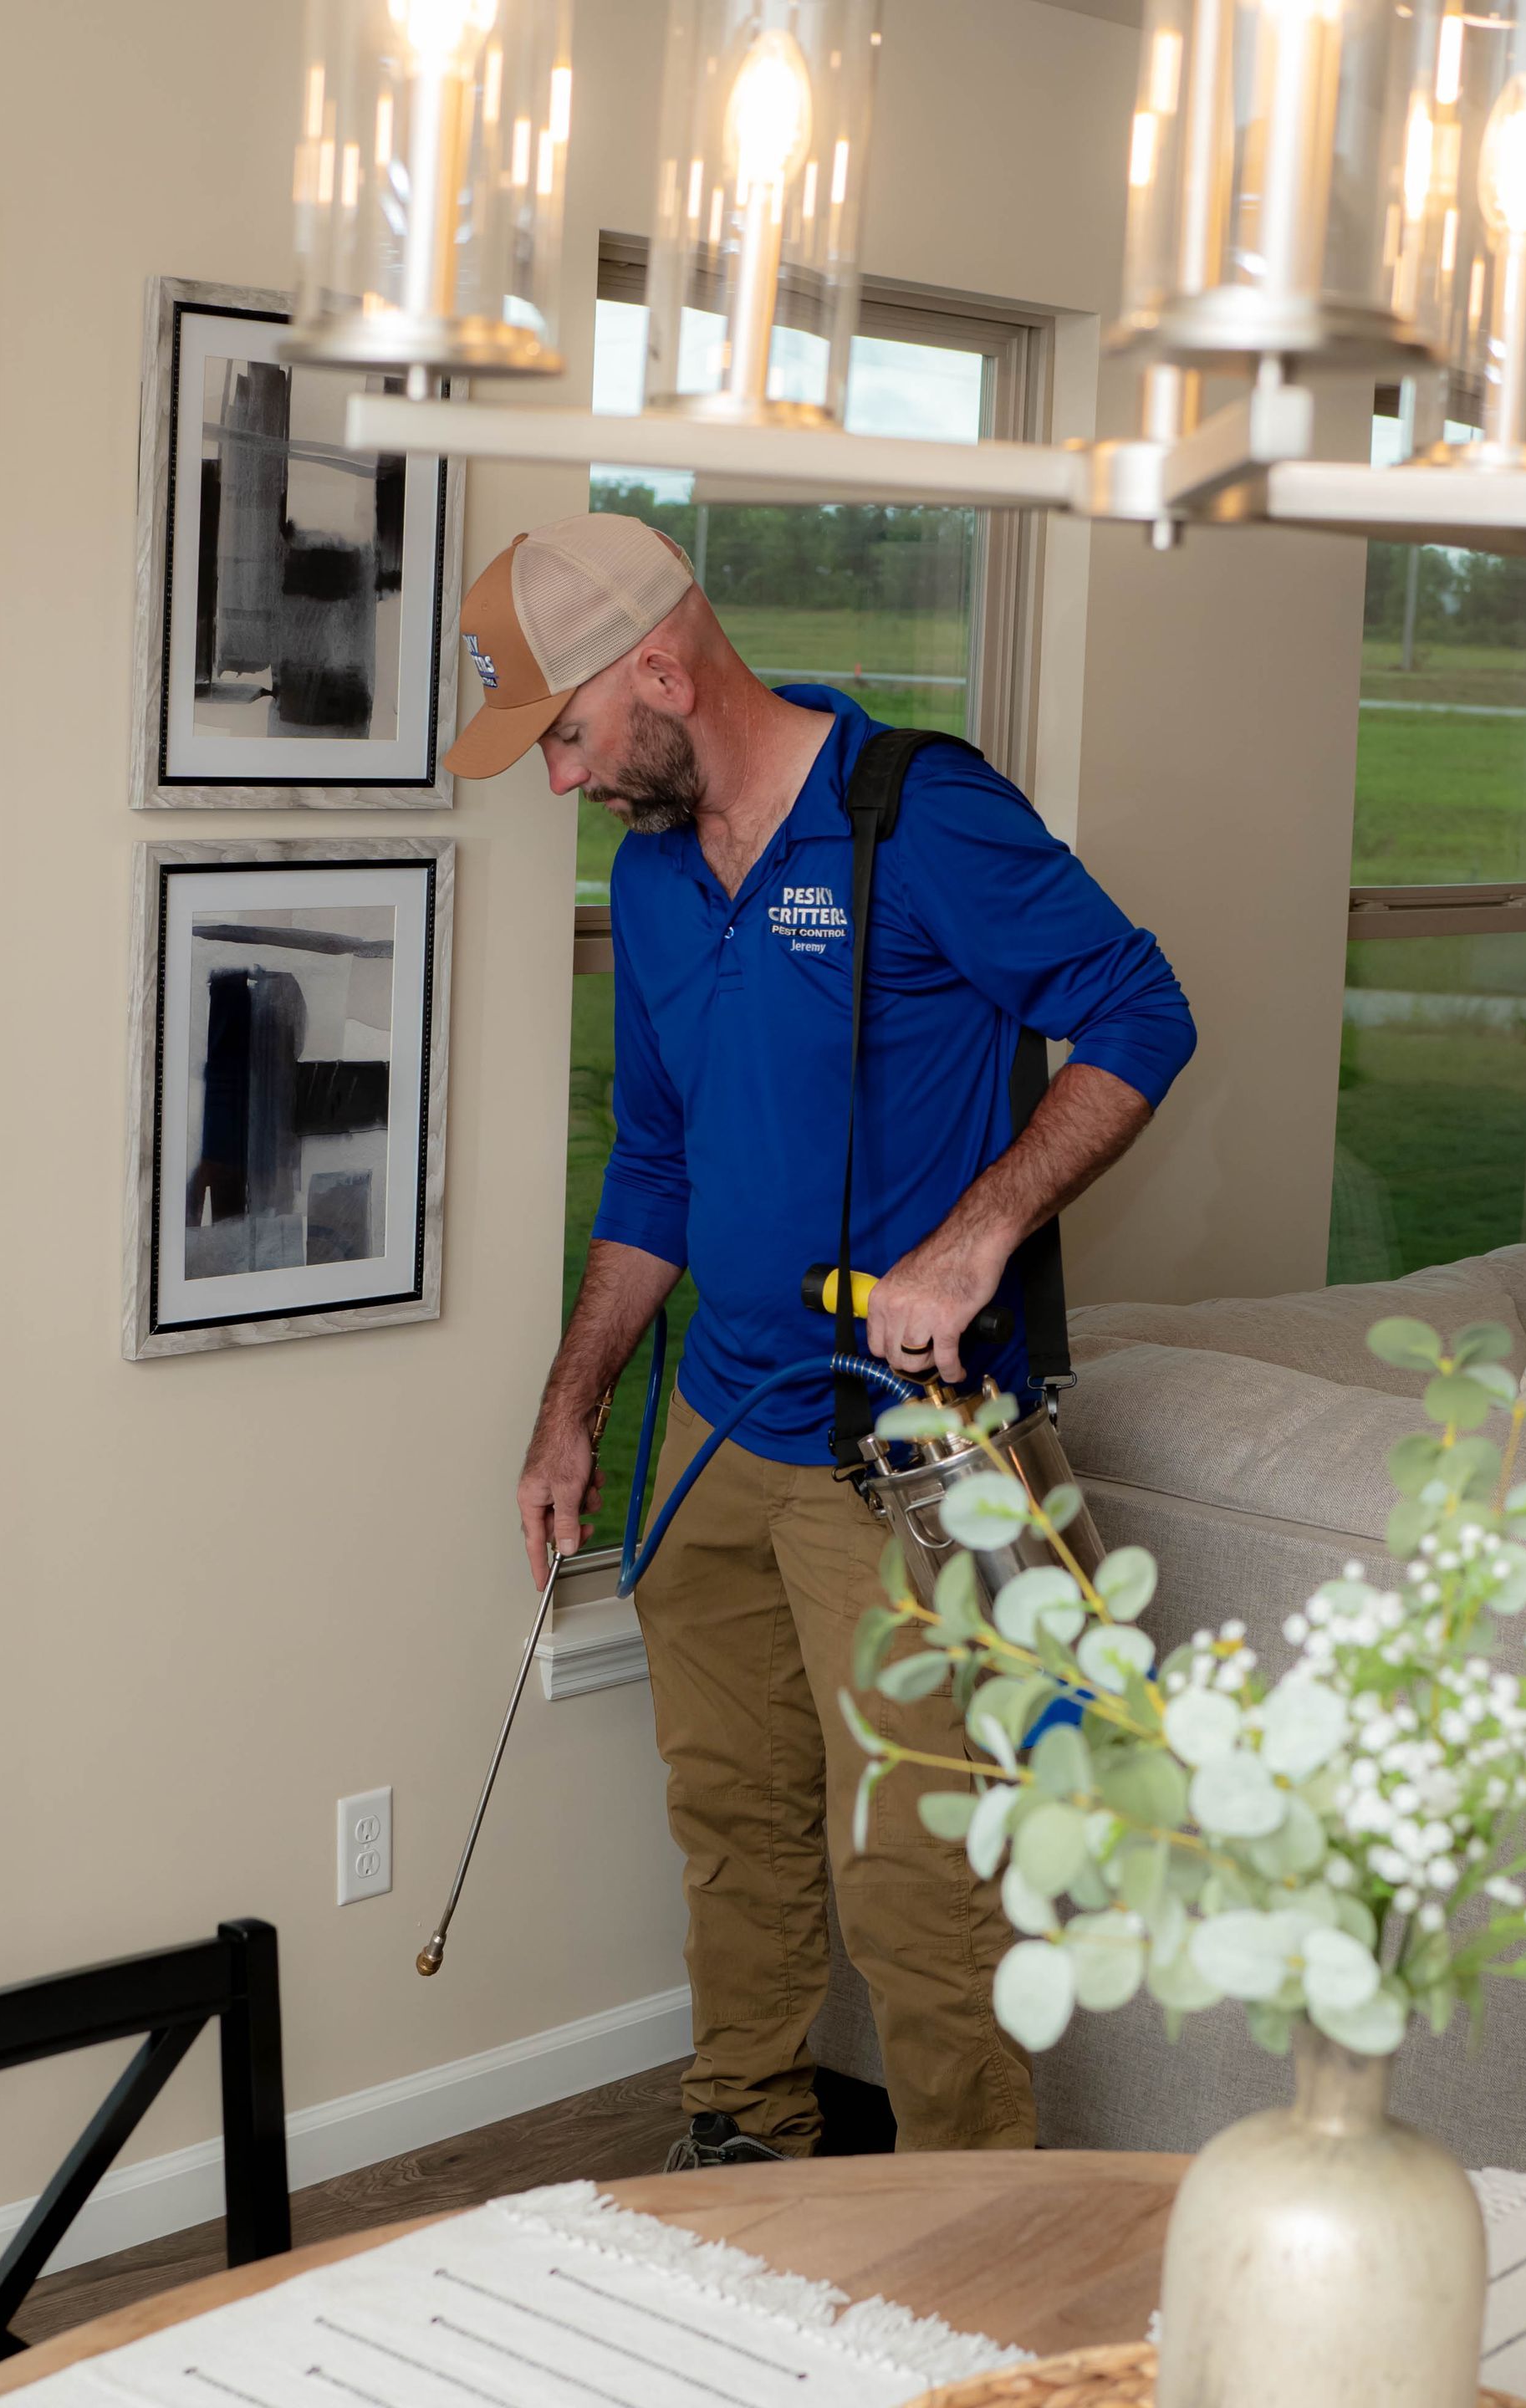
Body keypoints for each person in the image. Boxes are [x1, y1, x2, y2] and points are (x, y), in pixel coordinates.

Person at [445, 511, 1197, 2167]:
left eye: (564, 737)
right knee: (732, 1819)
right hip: (716, 1426)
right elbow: (654, 1160)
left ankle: (973, 2235)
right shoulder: (653, 879)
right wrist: (570, 1408)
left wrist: (977, 1233)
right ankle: (745, 2156)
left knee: (915, 1877)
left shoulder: (917, 817)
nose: (560, 785)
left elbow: (1142, 1011)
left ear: (662, 666)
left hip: (901, 1447)